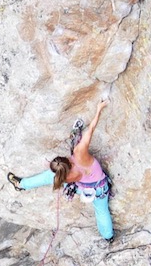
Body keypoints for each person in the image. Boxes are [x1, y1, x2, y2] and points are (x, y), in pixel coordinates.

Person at [6, 99, 114, 240]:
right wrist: (99, 109)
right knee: (102, 211)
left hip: (82, 188)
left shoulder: (65, 178)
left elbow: (58, 176)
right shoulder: (79, 152)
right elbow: (92, 128)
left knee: (47, 176)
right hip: (99, 188)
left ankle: (22, 185)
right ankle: (108, 236)